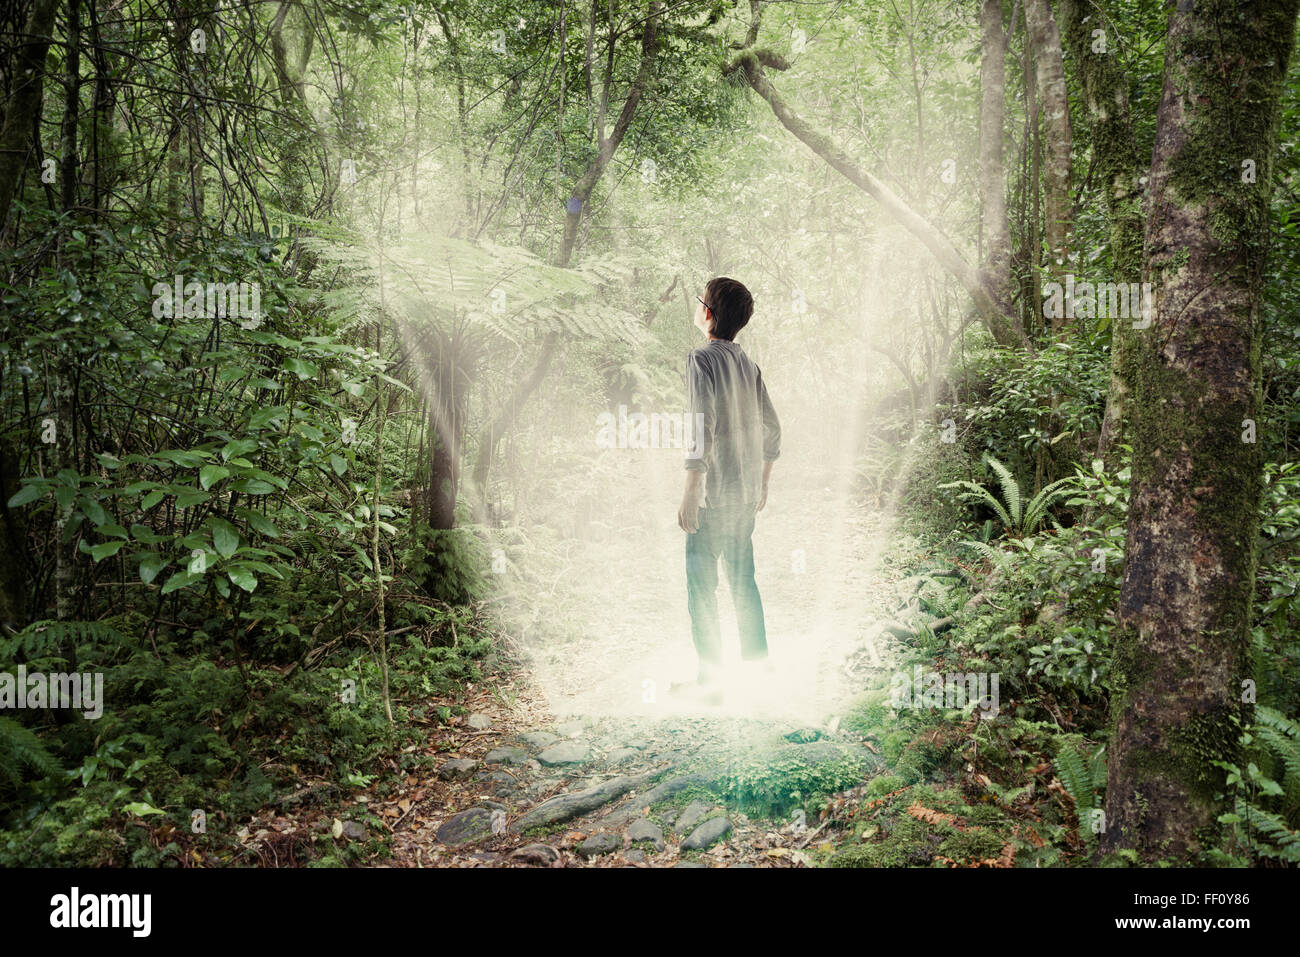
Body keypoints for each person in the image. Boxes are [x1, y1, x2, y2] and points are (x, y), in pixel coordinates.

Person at [674, 277, 781, 705]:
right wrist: (763, 481)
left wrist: (690, 491)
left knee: (702, 588)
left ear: (709, 314)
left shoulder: (701, 360)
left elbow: (702, 425)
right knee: (743, 584)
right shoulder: (748, 364)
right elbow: (773, 427)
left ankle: (710, 684)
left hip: (713, 497)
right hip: (744, 496)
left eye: (701, 300)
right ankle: (759, 675)